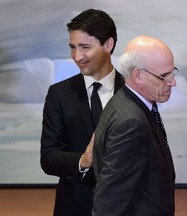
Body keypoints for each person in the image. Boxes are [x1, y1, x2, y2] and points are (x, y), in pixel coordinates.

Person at [40, 9, 125, 216]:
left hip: (126, 207)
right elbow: (49, 157)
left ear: (108, 45)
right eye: (73, 47)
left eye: (85, 47)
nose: (77, 56)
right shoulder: (58, 94)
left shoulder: (133, 92)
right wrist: (83, 160)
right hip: (73, 208)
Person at [92, 35, 177, 216]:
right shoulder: (131, 122)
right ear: (138, 75)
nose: (173, 82)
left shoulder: (126, 101)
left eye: (173, 72)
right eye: (164, 76)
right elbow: (110, 198)